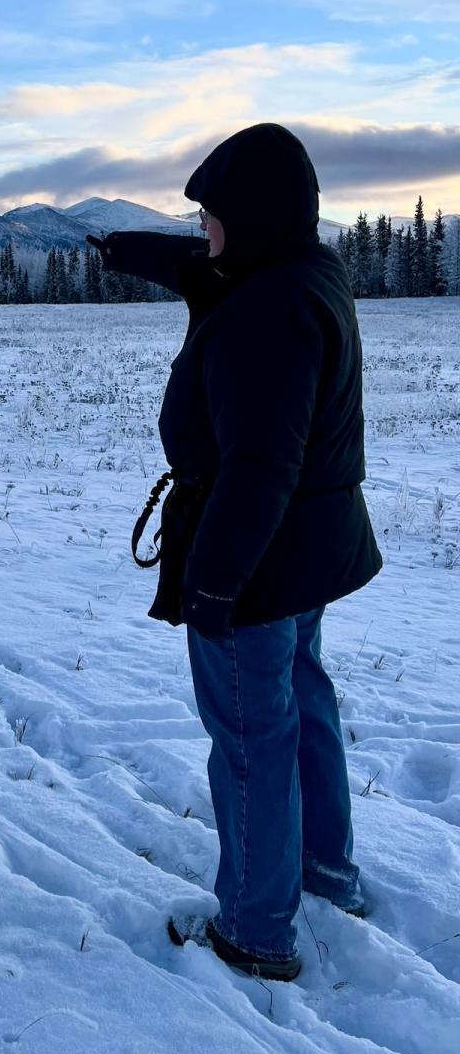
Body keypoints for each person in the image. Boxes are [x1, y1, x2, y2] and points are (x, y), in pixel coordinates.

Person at [87, 122, 383, 981]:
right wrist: (120, 251)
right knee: (302, 702)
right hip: (306, 557)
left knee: (252, 736)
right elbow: (195, 266)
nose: (204, 231)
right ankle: (327, 871)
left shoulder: (265, 313)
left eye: (213, 215)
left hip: (258, 561)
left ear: (250, 219)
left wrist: (212, 588)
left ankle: (256, 930)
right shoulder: (298, 268)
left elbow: (260, 467)